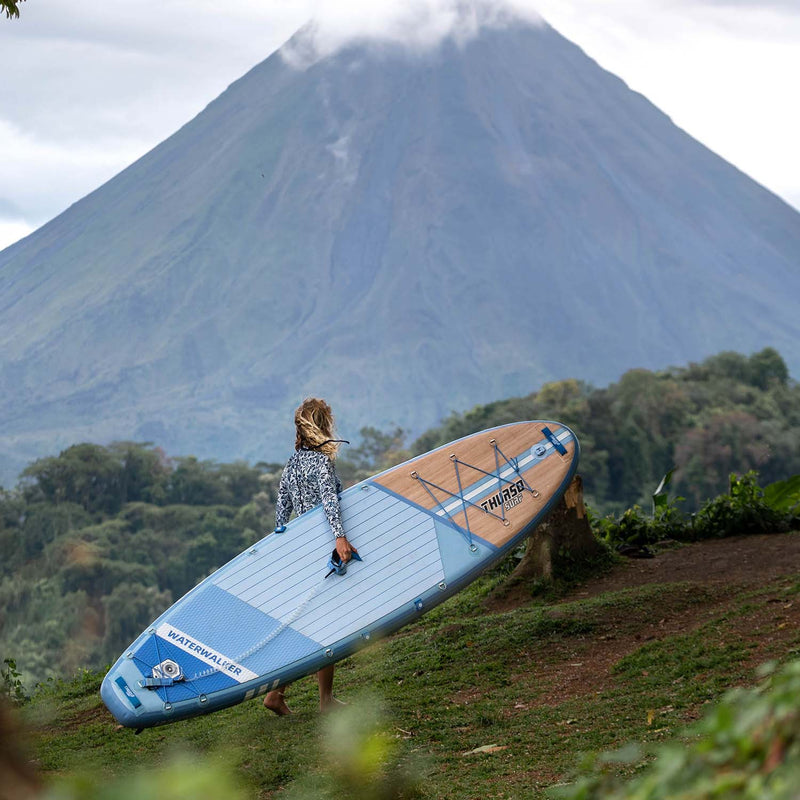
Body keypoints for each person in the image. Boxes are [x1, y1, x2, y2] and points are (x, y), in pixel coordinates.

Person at [263, 397, 354, 715]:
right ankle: (324, 701)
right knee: (325, 625)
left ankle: (277, 694)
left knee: (308, 623)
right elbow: (330, 500)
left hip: (301, 550)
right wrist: (341, 538)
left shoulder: (292, 463)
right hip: (322, 548)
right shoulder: (321, 463)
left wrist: (281, 543)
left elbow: (282, 508)